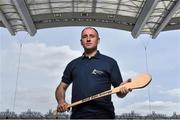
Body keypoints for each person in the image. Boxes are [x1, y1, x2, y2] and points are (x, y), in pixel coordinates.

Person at [55, 27, 130, 119]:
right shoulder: (73, 64)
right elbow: (61, 87)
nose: (88, 39)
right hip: (78, 116)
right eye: (85, 36)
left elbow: (119, 93)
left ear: (98, 40)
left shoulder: (110, 62)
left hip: (104, 116)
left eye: (92, 36)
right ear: (81, 41)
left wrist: (124, 90)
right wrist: (61, 101)